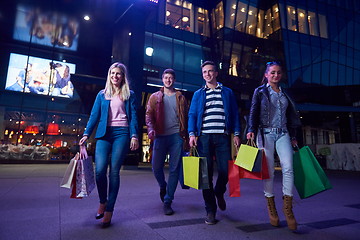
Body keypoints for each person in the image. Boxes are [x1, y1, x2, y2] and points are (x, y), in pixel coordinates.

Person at [79, 62, 139, 228]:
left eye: (118, 73)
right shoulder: (102, 94)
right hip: (104, 134)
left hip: (122, 133)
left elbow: (133, 116)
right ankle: (102, 202)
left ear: (123, 76)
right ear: (109, 75)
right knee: (99, 171)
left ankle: (109, 210)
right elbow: (94, 115)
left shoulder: (129, 94)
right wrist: (86, 134)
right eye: (112, 73)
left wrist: (134, 135)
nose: (115, 76)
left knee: (114, 171)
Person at [246, 61, 301, 231]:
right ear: (266, 75)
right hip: (266, 134)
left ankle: (288, 209)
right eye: (272, 73)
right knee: (268, 171)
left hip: (283, 133)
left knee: (288, 167)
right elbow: (253, 111)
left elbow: (291, 116)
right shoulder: (260, 92)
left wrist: (293, 136)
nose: (276, 75)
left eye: (278, 72)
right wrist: (250, 130)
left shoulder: (286, 93)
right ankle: (271, 207)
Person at [188, 61, 241, 225]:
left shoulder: (227, 92)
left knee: (226, 171)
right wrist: (192, 134)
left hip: (223, 137)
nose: (208, 74)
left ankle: (219, 191)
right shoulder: (198, 94)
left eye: (210, 71)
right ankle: (210, 210)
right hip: (204, 138)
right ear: (202, 74)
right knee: (206, 175)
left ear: (216, 73)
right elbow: (192, 115)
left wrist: (237, 133)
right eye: (205, 72)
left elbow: (234, 114)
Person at [145, 69, 188, 215]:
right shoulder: (155, 97)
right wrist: (150, 129)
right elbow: (149, 114)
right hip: (160, 136)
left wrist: (187, 135)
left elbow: (186, 117)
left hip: (176, 136)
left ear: (174, 80)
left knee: (174, 169)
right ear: (162, 79)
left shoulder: (181, 97)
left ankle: (168, 201)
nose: (168, 80)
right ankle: (163, 186)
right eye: (166, 77)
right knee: (156, 167)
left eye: (170, 78)